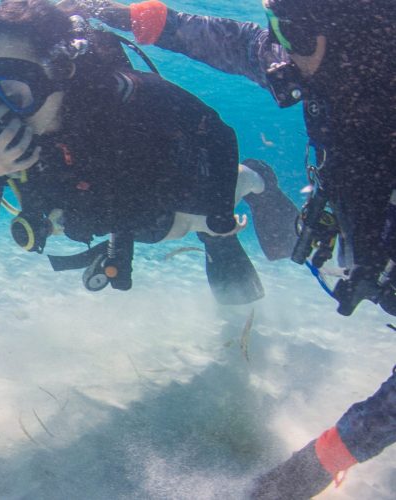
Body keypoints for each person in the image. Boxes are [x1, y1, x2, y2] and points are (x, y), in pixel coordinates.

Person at [60, 0, 396, 497]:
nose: (279, 52)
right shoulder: (316, 53)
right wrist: (110, 11)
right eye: (278, 26)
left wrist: (317, 464)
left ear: (355, 34)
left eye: (295, 34)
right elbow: (225, 40)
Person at [0, 0, 299, 305]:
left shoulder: (126, 97)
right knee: (122, 223)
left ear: (61, 73)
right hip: (90, 210)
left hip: (161, 194)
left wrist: (218, 212)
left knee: (172, 226)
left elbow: (216, 130)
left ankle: (256, 177)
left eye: (15, 91)